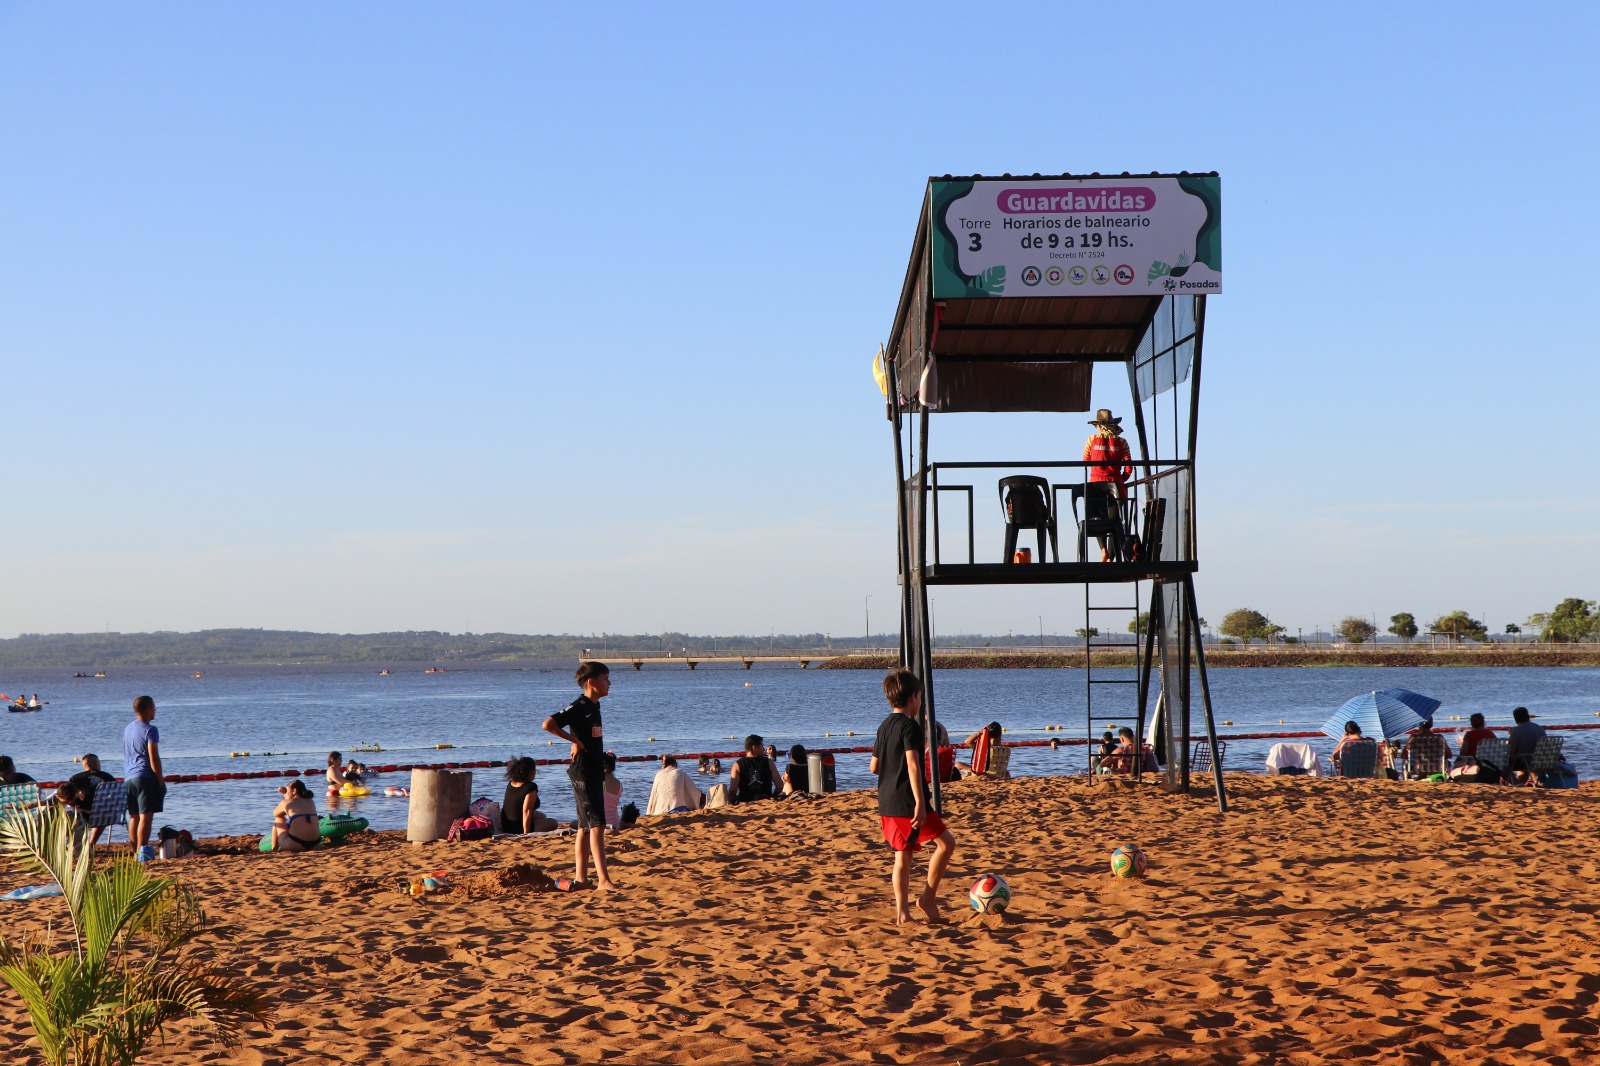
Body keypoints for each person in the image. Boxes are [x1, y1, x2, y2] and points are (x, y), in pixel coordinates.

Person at [870, 670, 957, 925]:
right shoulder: (910, 726)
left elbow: (874, 767)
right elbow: (913, 766)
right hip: (908, 801)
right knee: (946, 843)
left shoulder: (884, 726)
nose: (920, 702)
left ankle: (903, 913)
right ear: (913, 697)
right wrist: (920, 802)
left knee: (902, 857)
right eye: (920, 696)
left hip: (887, 801)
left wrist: (892, 767)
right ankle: (927, 898)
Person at [542, 661, 617, 892]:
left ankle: (581, 879)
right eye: (605, 679)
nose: (609, 683)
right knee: (597, 825)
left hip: (593, 770)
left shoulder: (595, 705)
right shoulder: (580, 705)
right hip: (583, 772)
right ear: (592, 682)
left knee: (585, 827)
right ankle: (603, 880)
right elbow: (548, 724)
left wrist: (577, 740)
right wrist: (574, 740)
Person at [1082, 408, 1134, 562]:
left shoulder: (1091, 440)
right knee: (1115, 523)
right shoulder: (1122, 442)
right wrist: (1120, 480)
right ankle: (1111, 557)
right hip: (1115, 487)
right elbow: (1129, 467)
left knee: (1097, 519)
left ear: (1099, 426)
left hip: (1096, 487)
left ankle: (1103, 551)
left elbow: (1085, 461)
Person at [123, 695, 165, 863]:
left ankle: (136, 852)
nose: (155, 711)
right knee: (146, 816)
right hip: (145, 777)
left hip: (129, 777)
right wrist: (160, 781)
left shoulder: (128, 729)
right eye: (154, 708)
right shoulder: (150, 729)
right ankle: (143, 852)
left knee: (134, 816)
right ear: (147, 710)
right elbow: (153, 758)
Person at [502, 756, 559, 834]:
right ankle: (526, 829)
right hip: (518, 827)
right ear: (531, 772)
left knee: (542, 816)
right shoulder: (530, 787)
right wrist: (526, 833)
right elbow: (526, 811)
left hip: (506, 824)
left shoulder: (511, 783)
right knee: (553, 822)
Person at [70, 754, 118, 845]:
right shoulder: (108, 777)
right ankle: (91, 843)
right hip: (105, 815)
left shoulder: (75, 778)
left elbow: (69, 797)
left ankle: (77, 845)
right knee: (103, 812)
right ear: (96, 763)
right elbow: (115, 796)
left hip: (82, 814)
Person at [270, 780, 321, 851]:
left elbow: (275, 813)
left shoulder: (286, 803)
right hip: (316, 845)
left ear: (294, 791)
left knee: (278, 819)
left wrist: (284, 798)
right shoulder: (310, 801)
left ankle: (274, 849)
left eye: (286, 791)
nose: (285, 793)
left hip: (295, 844)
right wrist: (287, 793)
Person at [729, 734, 777, 804]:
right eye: (762, 746)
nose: (764, 749)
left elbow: (732, 790)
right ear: (754, 747)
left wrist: (733, 801)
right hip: (765, 799)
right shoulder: (768, 762)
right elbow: (779, 786)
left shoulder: (737, 764)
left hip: (745, 799)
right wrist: (773, 796)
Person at [1506, 706, 1547, 783]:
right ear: (1528, 716)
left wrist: (1509, 740)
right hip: (1541, 761)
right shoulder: (1539, 728)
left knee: (1503, 762)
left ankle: (1516, 783)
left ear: (1515, 719)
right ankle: (1524, 782)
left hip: (1525, 762)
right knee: (1524, 759)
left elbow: (1511, 751)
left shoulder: (1516, 730)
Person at [602, 751, 623, 829]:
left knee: (574, 823)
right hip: (615, 822)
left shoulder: (597, 781)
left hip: (599, 824)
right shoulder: (619, 784)